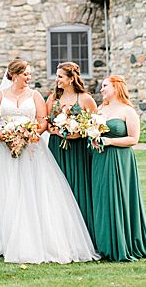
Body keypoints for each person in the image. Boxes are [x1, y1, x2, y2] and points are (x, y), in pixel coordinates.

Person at [0, 59, 97, 264]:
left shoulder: (36, 96)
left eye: (30, 74)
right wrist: (4, 137)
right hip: (5, 149)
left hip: (31, 149)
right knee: (6, 189)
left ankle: (37, 237)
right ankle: (4, 239)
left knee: (33, 191)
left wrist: (29, 135)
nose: (29, 77)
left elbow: (43, 121)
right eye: (26, 74)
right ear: (14, 75)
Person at [89, 75, 146, 262]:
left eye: (105, 86)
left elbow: (133, 139)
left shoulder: (128, 111)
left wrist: (110, 141)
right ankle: (103, 245)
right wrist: (94, 139)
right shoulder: (100, 109)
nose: (101, 89)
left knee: (117, 198)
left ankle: (122, 243)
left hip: (120, 159)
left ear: (116, 87)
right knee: (101, 199)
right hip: (99, 159)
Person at [46, 61, 96, 227]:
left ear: (71, 78)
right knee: (57, 188)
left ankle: (84, 231)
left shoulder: (85, 99)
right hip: (56, 148)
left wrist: (76, 132)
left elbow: (94, 125)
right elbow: (47, 123)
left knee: (78, 187)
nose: (57, 80)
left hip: (78, 151)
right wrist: (57, 131)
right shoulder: (53, 98)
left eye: (60, 76)